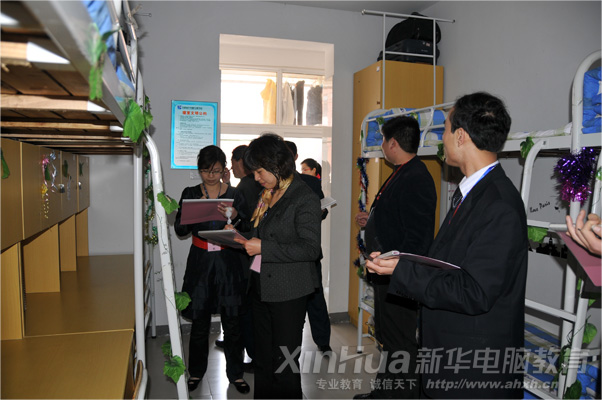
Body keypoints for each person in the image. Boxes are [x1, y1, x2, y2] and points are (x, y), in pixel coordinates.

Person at [366, 92, 528, 399]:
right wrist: (400, 264)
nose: (442, 138)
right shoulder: (472, 193)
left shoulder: (499, 205)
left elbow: (475, 292)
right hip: (449, 358)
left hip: (472, 371)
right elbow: (447, 263)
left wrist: (402, 271)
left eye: (446, 129)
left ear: (461, 136)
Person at [353, 116, 437, 400]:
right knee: (389, 338)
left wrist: (399, 271)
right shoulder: (402, 172)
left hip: (399, 277)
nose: (381, 146)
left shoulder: (416, 177)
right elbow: (398, 218)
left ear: (393, 143)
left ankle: (404, 395)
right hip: (386, 273)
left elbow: (418, 238)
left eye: (383, 140)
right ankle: (384, 392)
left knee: (401, 341)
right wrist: (372, 220)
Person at [233, 133, 322, 399]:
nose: (256, 178)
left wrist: (264, 248)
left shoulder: (303, 197)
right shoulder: (268, 193)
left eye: (259, 171)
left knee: (284, 364)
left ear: (276, 164)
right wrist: (238, 236)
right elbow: (261, 233)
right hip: (261, 286)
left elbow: (310, 249)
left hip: (289, 291)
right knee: (263, 359)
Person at [173, 145, 250, 394]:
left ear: (223, 169)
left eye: (216, 171)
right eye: (206, 171)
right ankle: (196, 372)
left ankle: (236, 374)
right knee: (200, 323)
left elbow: (248, 228)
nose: (211, 176)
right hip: (201, 263)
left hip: (228, 263)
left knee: (233, 322)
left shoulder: (235, 194)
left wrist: (236, 216)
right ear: (199, 170)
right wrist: (192, 213)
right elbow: (180, 230)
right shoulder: (191, 193)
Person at [215, 145, 263, 364]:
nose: (231, 168)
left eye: (232, 163)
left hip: (247, 253)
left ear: (240, 161)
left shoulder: (245, 186)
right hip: (255, 253)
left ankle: (252, 352)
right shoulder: (251, 185)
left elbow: (244, 220)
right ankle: (249, 349)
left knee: (246, 307)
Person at [285, 141, 332, 353]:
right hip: (283, 253)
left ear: (295, 157)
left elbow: (322, 210)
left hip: (308, 251)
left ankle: (323, 341)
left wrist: (320, 212)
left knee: (315, 297)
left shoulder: (310, 182)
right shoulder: (269, 184)